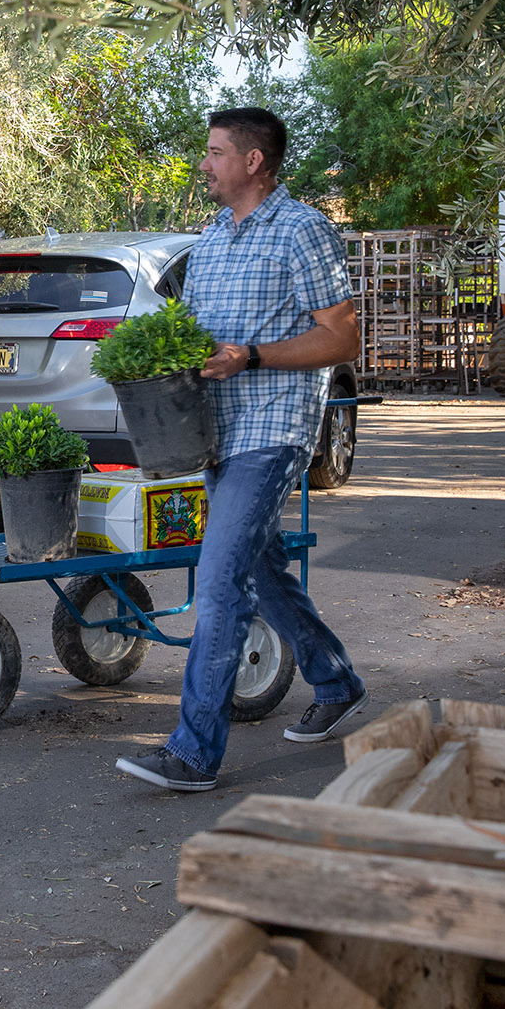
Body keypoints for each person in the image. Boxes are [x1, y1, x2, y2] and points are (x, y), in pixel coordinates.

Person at [114, 108, 367, 792]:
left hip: (273, 429)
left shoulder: (303, 228)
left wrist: (251, 356)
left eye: (216, 152)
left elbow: (341, 339)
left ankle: (194, 751)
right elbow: (200, 338)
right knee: (258, 563)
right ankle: (336, 676)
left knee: (220, 574)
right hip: (215, 433)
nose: (206, 163)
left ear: (253, 162)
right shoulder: (213, 238)